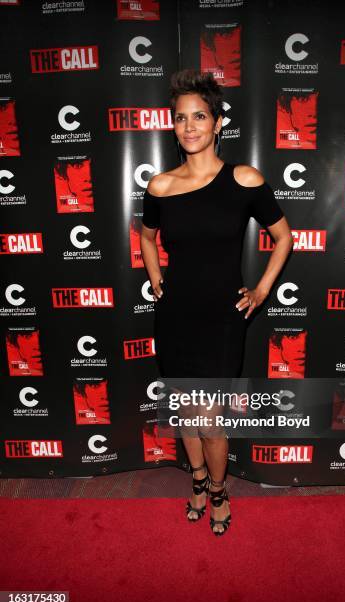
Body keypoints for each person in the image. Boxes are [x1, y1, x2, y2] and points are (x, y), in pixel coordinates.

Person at [141, 68, 293, 536]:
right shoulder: (161, 187)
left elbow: (284, 237)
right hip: (177, 316)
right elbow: (147, 239)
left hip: (223, 320)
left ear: (218, 122)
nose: (189, 126)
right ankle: (199, 481)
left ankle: (220, 491)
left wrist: (263, 289)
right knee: (185, 409)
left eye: (199, 117)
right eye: (181, 118)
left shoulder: (244, 180)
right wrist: (157, 280)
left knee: (210, 417)